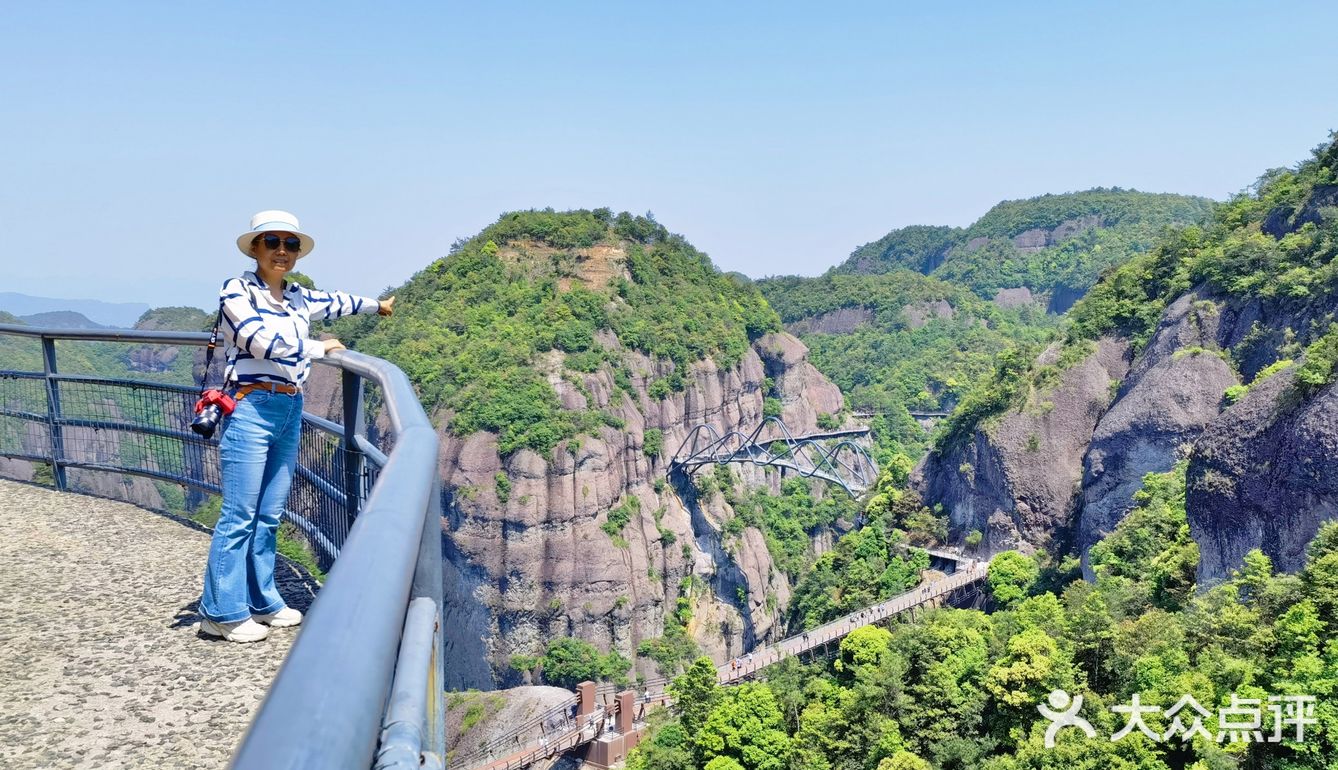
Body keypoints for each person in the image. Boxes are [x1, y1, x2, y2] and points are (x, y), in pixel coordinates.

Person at [198, 210, 395, 642]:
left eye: (290, 244)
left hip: (289, 406)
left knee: (268, 515)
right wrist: (317, 347)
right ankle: (221, 612)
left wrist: (377, 305)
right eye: (272, 242)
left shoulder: (299, 296)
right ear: (255, 248)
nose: (282, 251)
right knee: (240, 514)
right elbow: (257, 340)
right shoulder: (236, 291)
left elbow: (337, 301)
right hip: (250, 407)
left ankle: (262, 600)